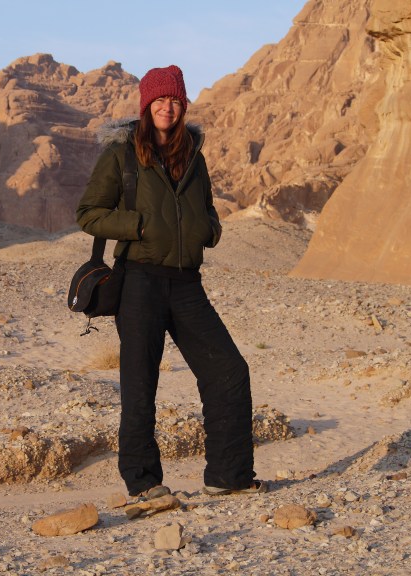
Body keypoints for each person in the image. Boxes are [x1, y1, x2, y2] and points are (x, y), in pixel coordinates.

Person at [76, 65, 266, 498]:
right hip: (138, 281)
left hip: (186, 285)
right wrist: (139, 226)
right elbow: (89, 213)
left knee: (229, 371)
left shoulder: (193, 156)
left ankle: (229, 475)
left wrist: (208, 231)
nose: (168, 107)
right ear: (147, 105)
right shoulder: (122, 154)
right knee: (140, 384)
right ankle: (144, 485)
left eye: (175, 100)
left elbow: (208, 208)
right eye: (160, 100)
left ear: (183, 106)